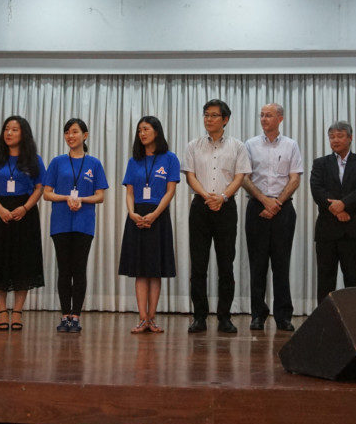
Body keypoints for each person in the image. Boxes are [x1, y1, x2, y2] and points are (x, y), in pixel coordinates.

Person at [182, 99, 251, 334]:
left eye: (213, 115)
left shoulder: (238, 146)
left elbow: (240, 177)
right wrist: (206, 196)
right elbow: (190, 175)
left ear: (225, 119)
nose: (208, 119)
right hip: (200, 207)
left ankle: (224, 317)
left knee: (226, 265)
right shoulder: (193, 145)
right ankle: (199, 317)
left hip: (226, 208)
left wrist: (221, 197)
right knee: (198, 265)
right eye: (206, 115)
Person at [0, 116, 46, 332]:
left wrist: (25, 208)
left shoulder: (33, 159)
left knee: (23, 262)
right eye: (6, 129)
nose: (9, 133)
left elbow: (39, 187)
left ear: (23, 133)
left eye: (14, 129)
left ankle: (17, 311)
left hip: (24, 213)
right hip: (0, 212)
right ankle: (1, 311)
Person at [242, 103, 304, 332]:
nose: (264, 119)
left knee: (281, 264)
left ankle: (283, 316)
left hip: (283, 210)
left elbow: (295, 178)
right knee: (257, 264)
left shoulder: (291, 145)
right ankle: (258, 314)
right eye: (262, 115)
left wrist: (276, 202)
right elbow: (245, 178)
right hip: (256, 207)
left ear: (280, 118)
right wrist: (264, 200)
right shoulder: (250, 145)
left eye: (269, 115)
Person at [43, 118, 108, 333]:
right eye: (67, 132)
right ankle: (64, 316)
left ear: (85, 135)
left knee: (79, 270)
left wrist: (81, 200)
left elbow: (100, 196)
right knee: (64, 270)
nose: (70, 136)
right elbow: (46, 193)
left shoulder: (94, 164)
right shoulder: (57, 162)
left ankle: (76, 316)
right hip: (60, 222)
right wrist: (66, 198)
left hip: (84, 223)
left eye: (74, 132)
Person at [118, 116, 180, 334]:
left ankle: (152, 318)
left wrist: (154, 214)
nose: (142, 133)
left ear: (157, 131)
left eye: (146, 129)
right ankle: (142, 318)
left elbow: (170, 191)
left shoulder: (170, 158)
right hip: (137, 216)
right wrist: (132, 213)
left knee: (154, 270)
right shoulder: (133, 161)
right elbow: (129, 192)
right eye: (139, 130)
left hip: (158, 215)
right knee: (140, 270)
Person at [310, 121, 356, 305]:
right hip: (327, 230)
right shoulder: (320, 163)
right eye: (332, 137)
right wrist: (337, 210)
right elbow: (316, 190)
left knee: (353, 280)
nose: (335, 140)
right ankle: (325, 321)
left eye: (340, 136)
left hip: (354, 229)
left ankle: (353, 320)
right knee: (325, 279)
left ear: (350, 138)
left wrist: (344, 205)